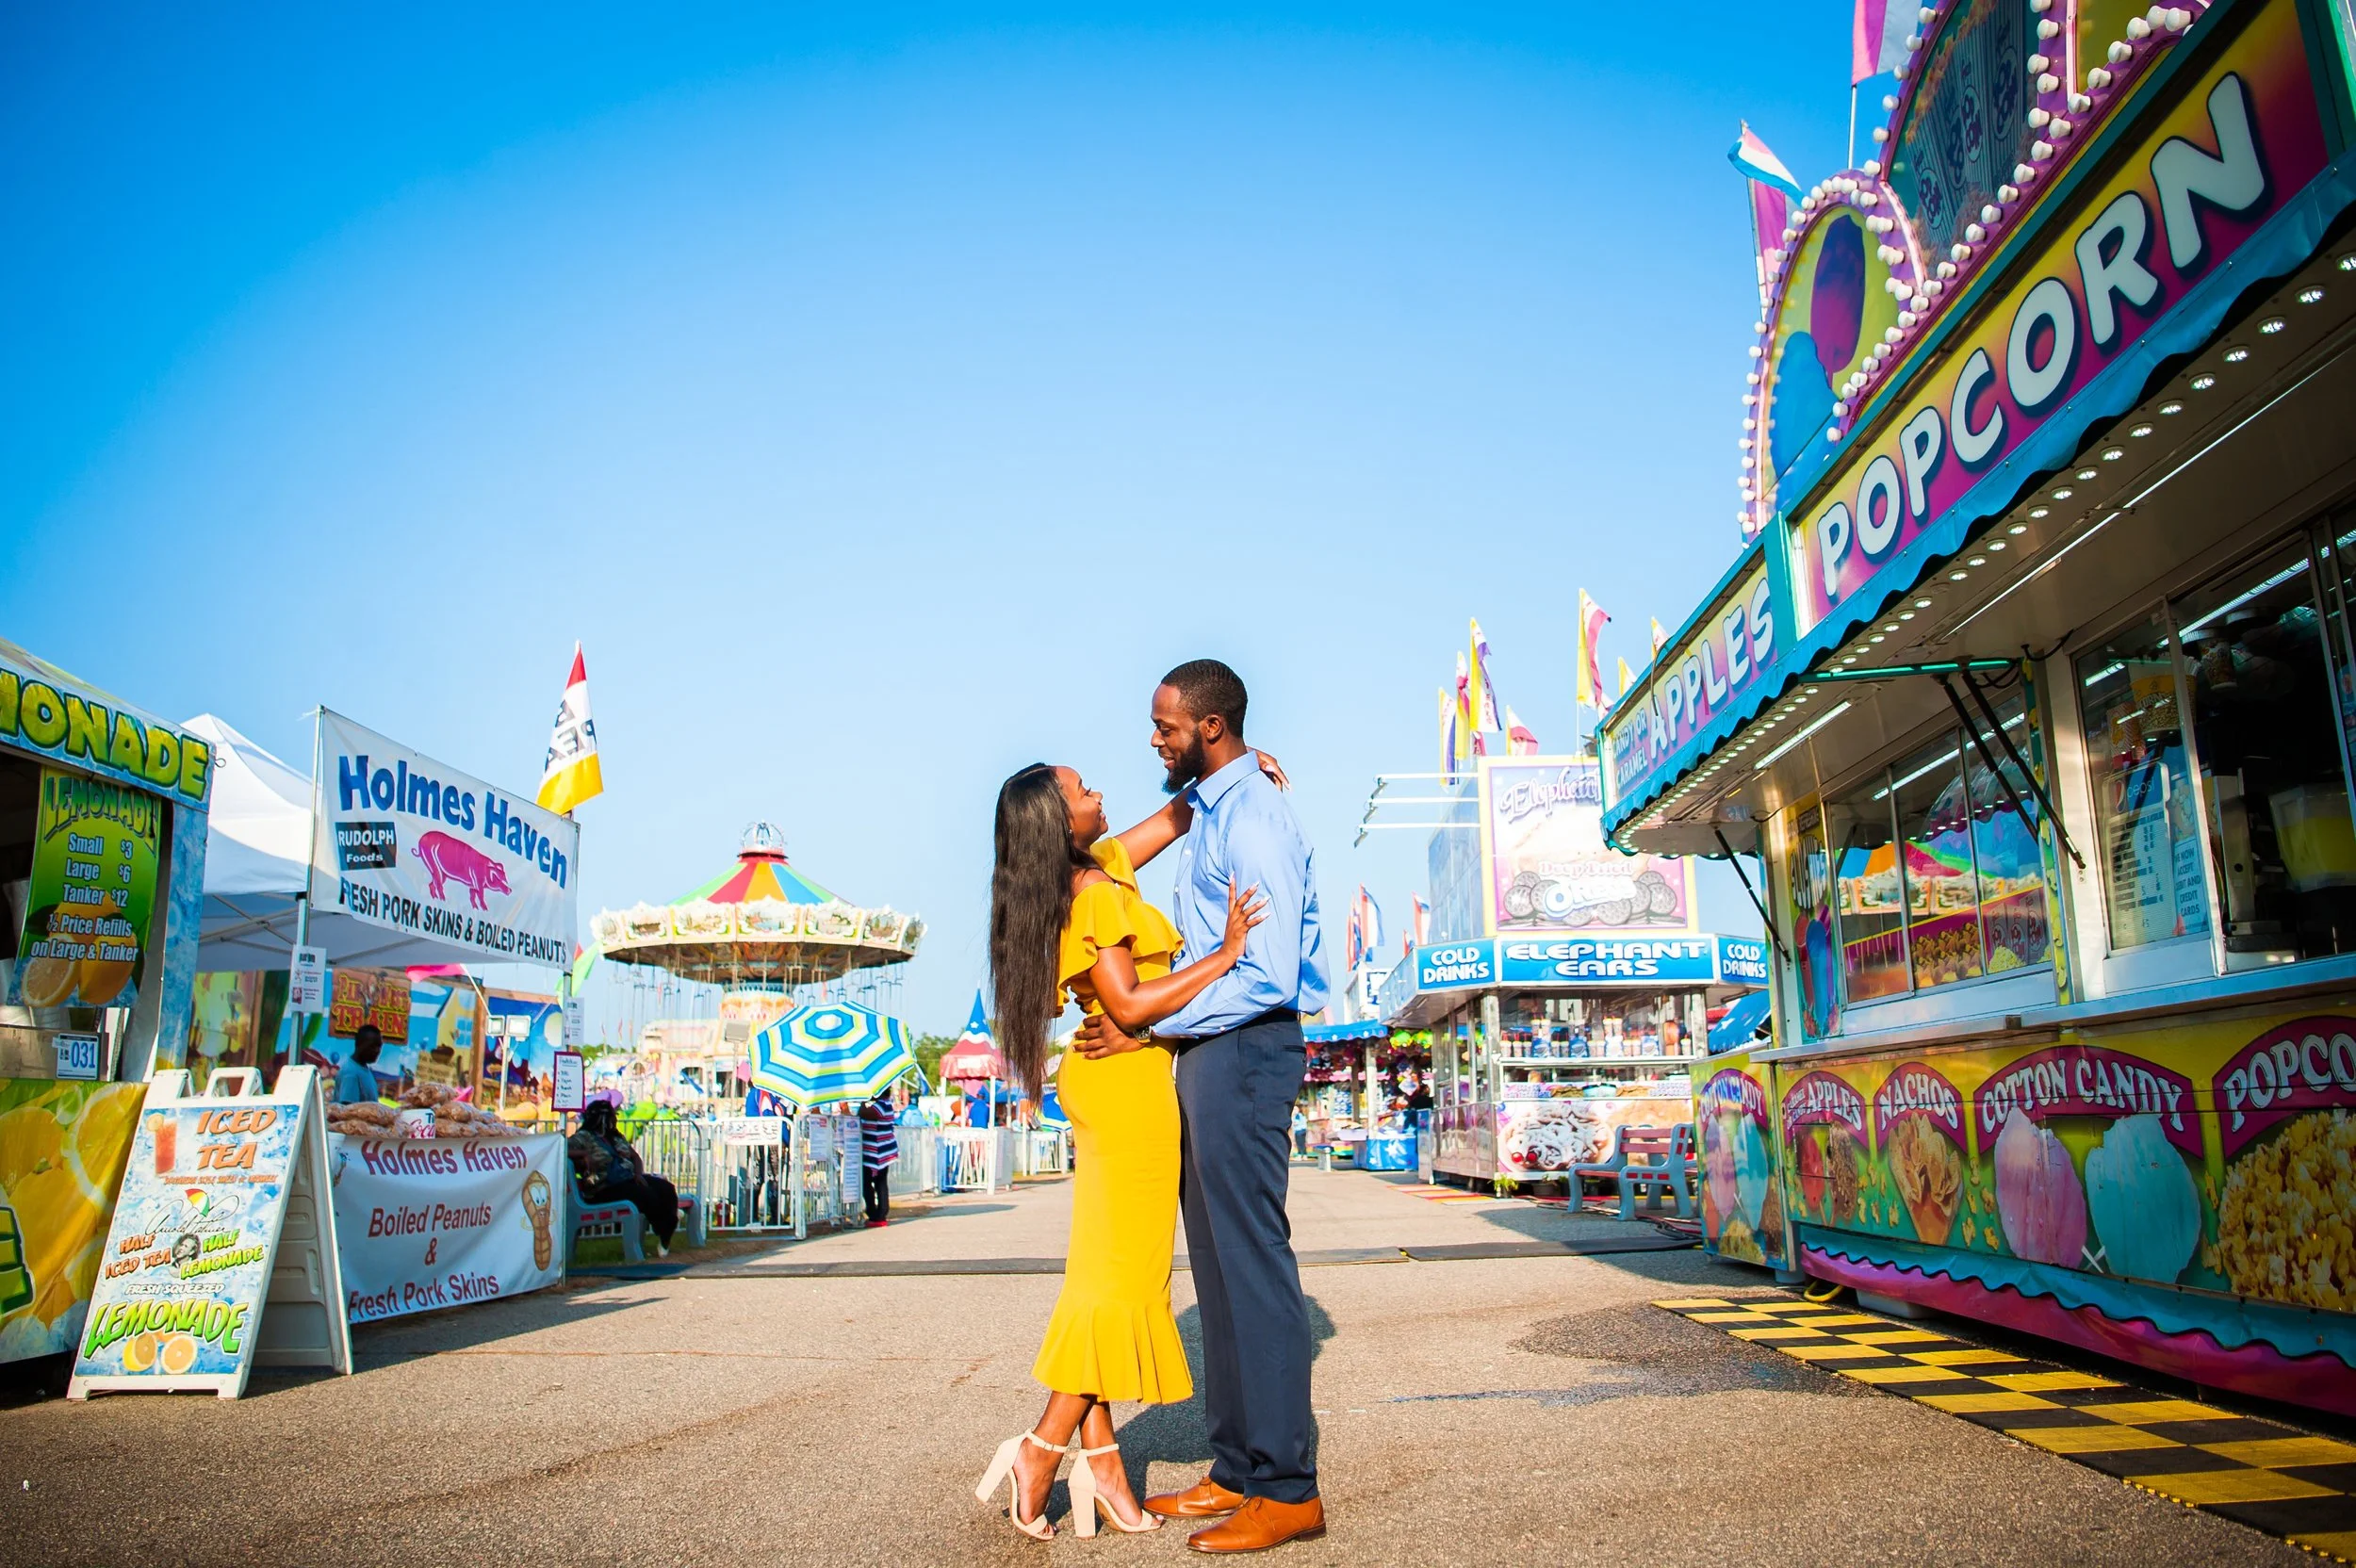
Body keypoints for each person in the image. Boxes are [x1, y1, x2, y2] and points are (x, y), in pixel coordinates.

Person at [973, 743, 1277, 1542]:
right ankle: (1041, 1449)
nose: (1097, 789)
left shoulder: (1095, 866)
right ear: (1057, 822)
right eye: (1081, 788)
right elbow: (1133, 1005)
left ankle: (1099, 1459)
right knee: (1127, 1280)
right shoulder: (1095, 894)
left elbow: (1176, 818)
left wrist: (1235, 763)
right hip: (1131, 1086)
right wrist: (1225, 955)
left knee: (1102, 1276)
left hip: (1116, 1083)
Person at [1076, 659, 1329, 1553]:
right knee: (1217, 1269)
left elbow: (1265, 973)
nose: (1154, 738)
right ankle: (1237, 1469)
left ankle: (1289, 1487)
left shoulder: (1253, 816)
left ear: (1209, 728)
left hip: (1247, 1048)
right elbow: (1186, 809)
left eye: (1167, 727)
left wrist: (1151, 1031)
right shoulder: (1222, 802)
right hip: (1208, 1054)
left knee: (1252, 1262)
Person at [565, 1099, 679, 1255]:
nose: (613, 1119)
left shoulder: (616, 1137)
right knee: (645, 1195)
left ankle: (666, 1233)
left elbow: (635, 1157)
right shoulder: (583, 1137)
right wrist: (583, 1154)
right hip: (604, 1187)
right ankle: (666, 1222)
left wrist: (638, 1174)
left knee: (666, 1188)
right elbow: (560, 1148)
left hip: (627, 1178)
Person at [858, 1094, 898, 1227]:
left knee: (870, 1184)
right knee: (878, 1183)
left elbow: (865, 1114)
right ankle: (879, 1213)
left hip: (878, 1152)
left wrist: (862, 1102)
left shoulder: (882, 1105)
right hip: (878, 1151)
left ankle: (877, 1214)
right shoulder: (884, 1105)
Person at [335, 1025, 384, 1104]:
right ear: (359, 1044)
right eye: (372, 1046)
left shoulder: (363, 1068)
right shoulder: (350, 1073)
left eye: (379, 1046)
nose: (377, 1050)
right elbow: (349, 1112)